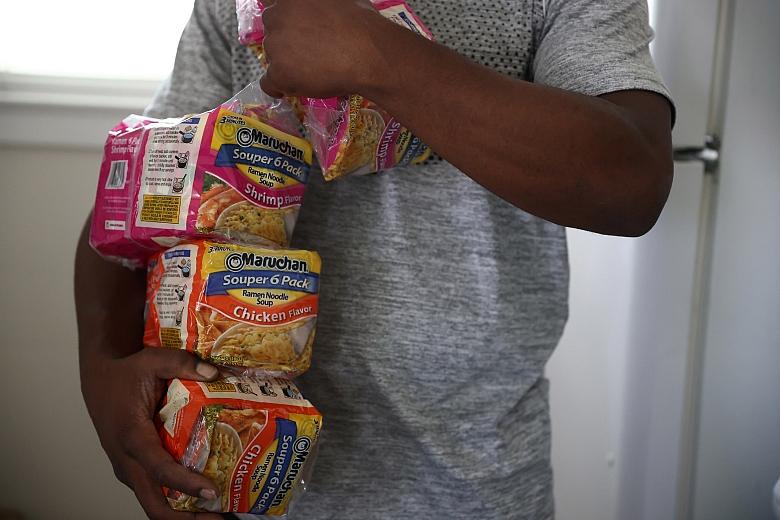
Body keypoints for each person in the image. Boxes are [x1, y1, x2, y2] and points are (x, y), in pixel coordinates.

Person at [75, 0, 673, 518]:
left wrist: (377, 54)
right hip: (236, 465)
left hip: (470, 485)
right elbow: (147, 188)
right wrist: (102, 366)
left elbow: (630, 182)